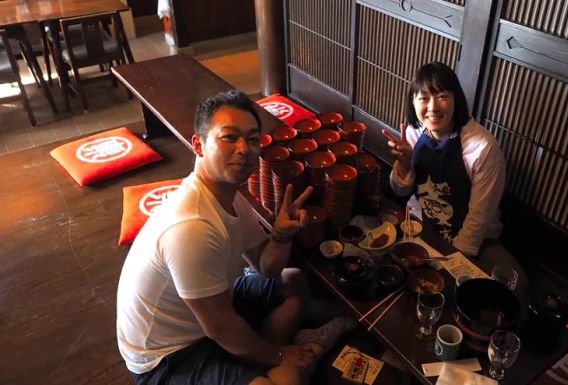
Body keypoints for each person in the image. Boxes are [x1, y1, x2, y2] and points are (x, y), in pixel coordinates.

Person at [117, 90, 355, 385]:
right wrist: (280, 356)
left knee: (296, 281)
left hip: (215, 312)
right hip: (168, 355)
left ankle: (251, 357)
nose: (244, 149)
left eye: (253, 139)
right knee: (287, 378)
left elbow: (266, 268)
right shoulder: (191, 226)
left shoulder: (231, 197)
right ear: (198, 145)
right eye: (229, 137)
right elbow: (220, 327)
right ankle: (281, 356)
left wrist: (281, 236)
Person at [382, 62, 528, 296]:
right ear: (413, 101)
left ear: (456, 99)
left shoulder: (483, 147)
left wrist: (450, 264)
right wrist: (404, 162)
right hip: (421, 225)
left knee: (515, 285)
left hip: (473, 238)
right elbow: (400, 192)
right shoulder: (412, 132)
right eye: (423, 98)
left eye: (441, 96)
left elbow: (479, 217)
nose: (432, 107)